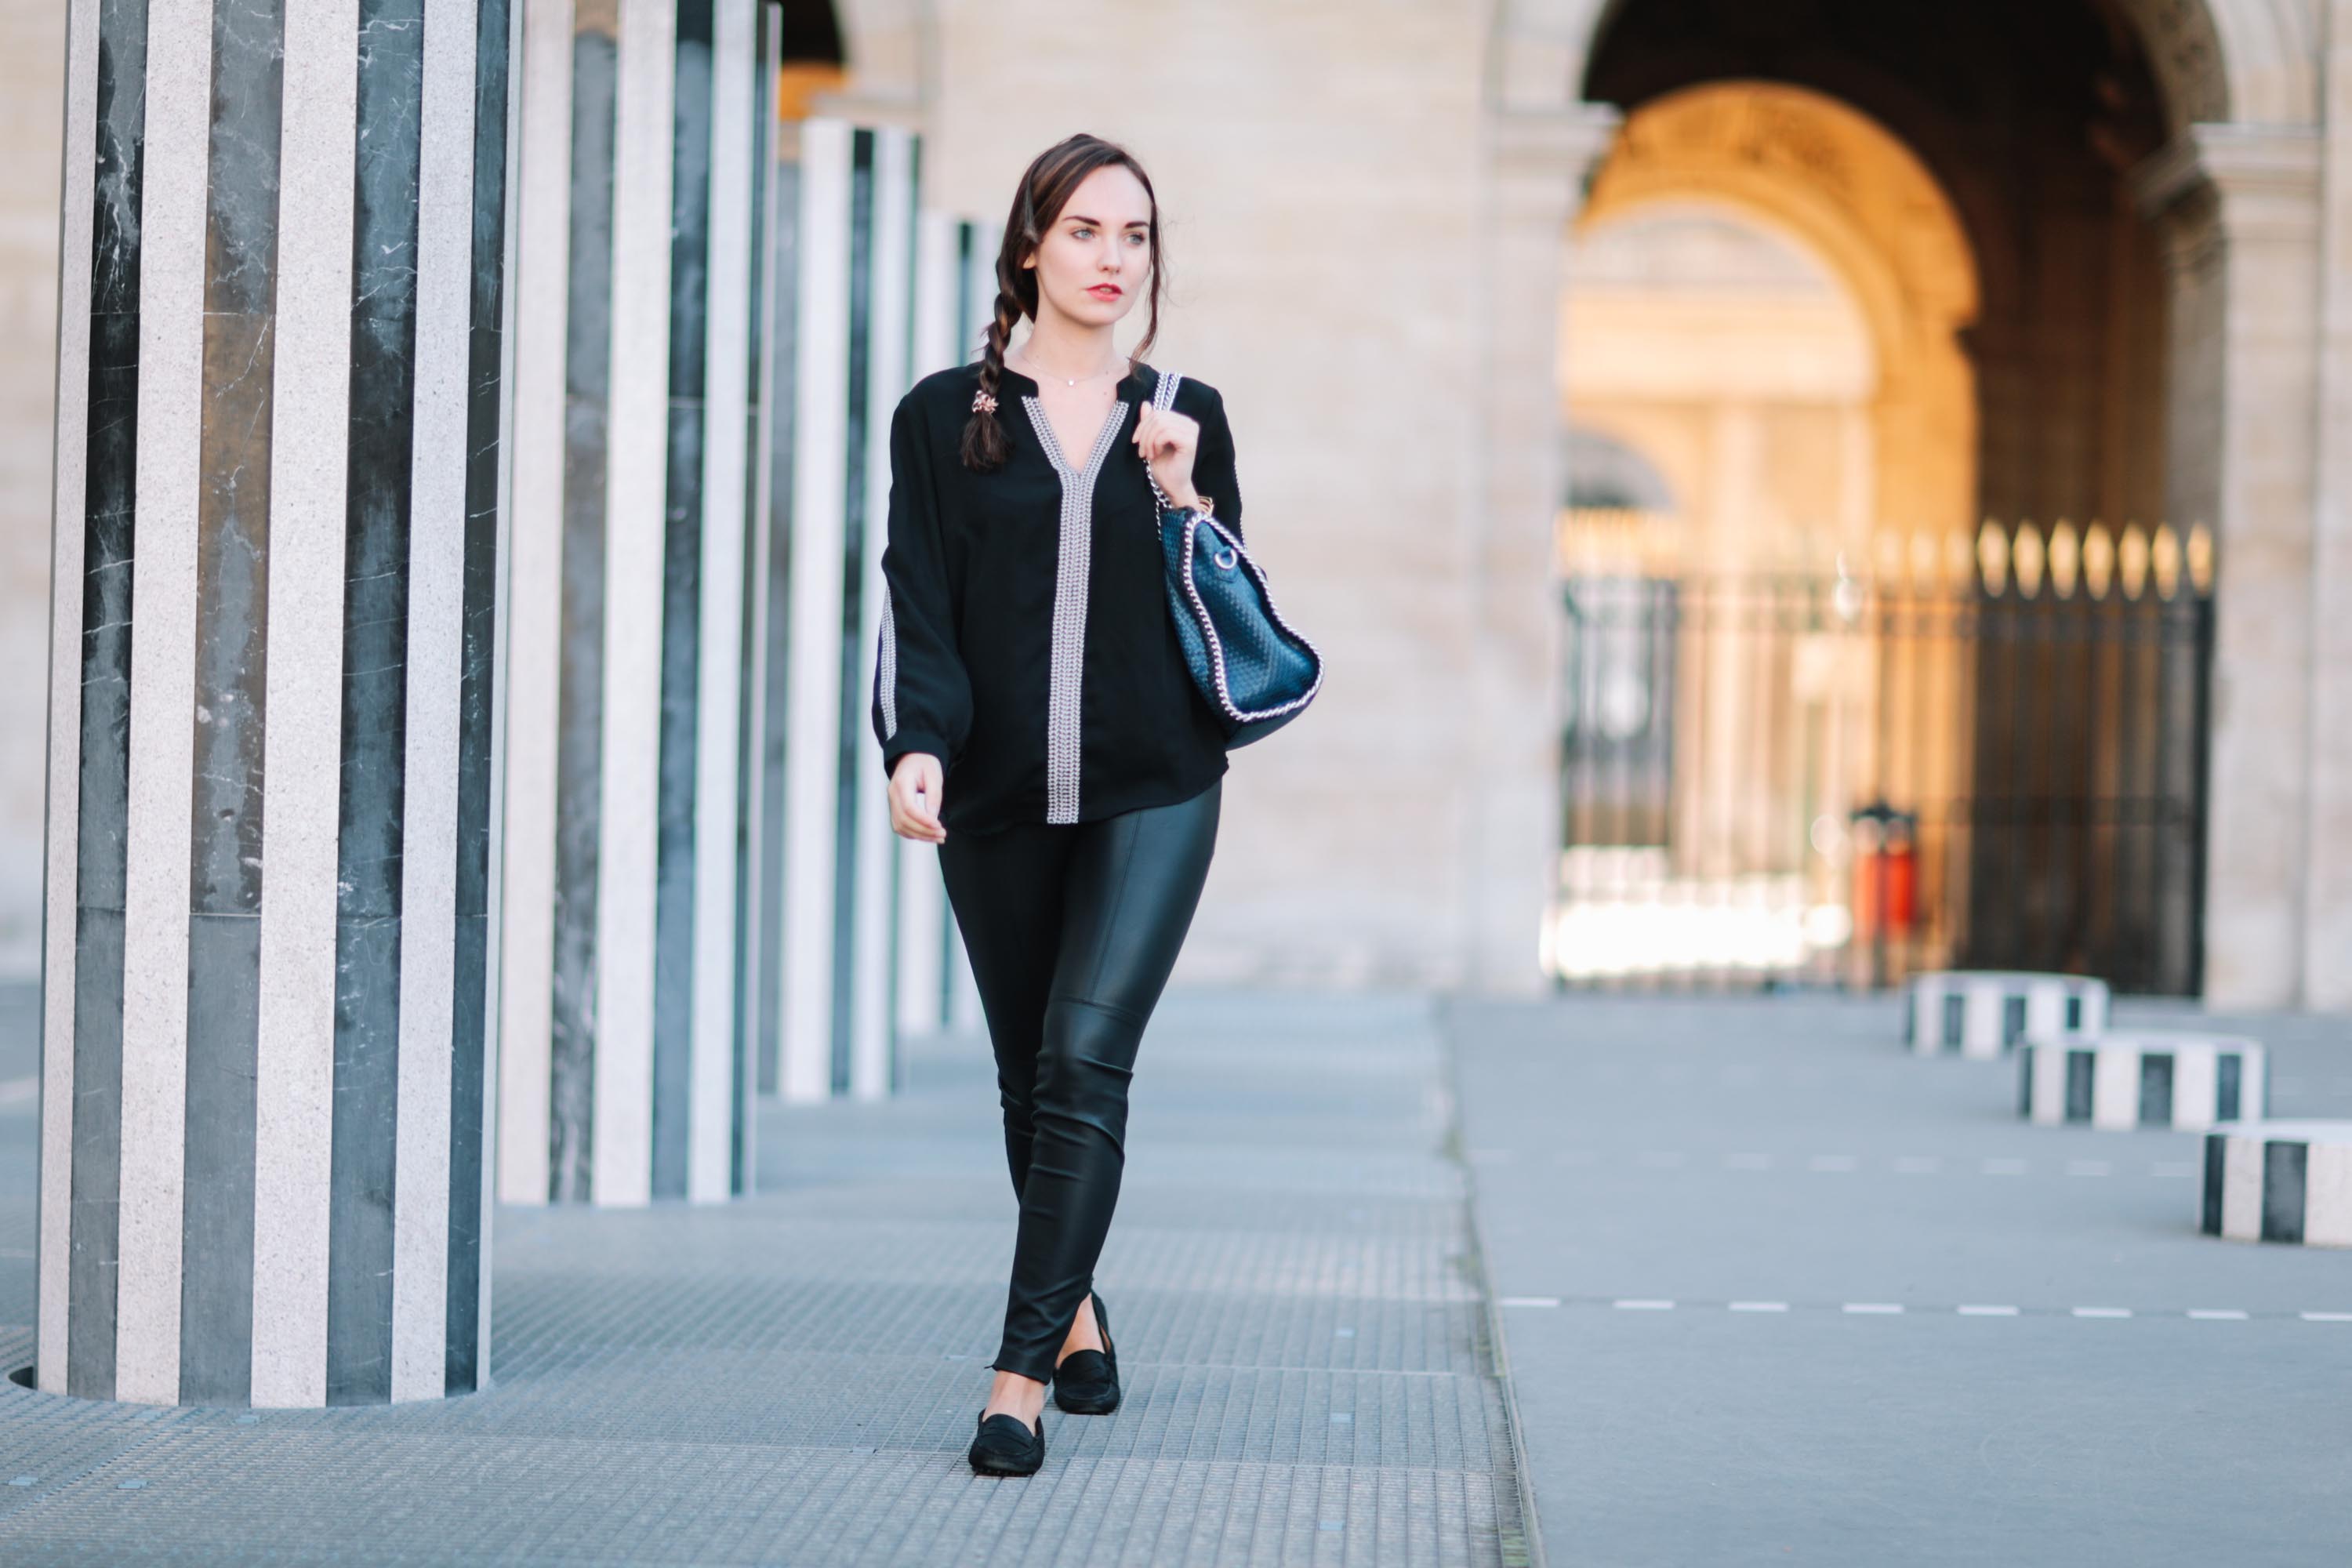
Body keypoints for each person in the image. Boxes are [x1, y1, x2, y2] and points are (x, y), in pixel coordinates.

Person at [869, 132, 1243, 1478]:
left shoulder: (1185, 410)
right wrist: (919, 746)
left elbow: (1225, 614)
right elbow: (919, 608)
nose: (1113, 260)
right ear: (1032, 245)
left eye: (1135, 236)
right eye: (1087, 231)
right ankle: (1077, 1309)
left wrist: (1180, 489)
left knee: (1085, 1060)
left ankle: (1016, 1378)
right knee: (1030, 1076)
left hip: (1158, 789)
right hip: (1001, 798)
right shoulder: (939, 417)